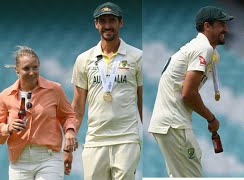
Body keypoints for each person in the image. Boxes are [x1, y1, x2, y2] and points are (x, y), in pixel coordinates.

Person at [148, 6, 233, 177]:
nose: (226, 29)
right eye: (221, 24)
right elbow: (189, 94)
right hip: (174, 123)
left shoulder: (203, 48)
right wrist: (211, 118)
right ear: (207, 26)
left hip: (170, 123)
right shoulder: (203, 48)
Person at [71, 2, 142, 180]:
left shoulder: (137, 57)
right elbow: (78, 105)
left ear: (121, 22)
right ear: (96, 24)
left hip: (126, 139)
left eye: (112, 20)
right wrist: (70, 132)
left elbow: (142, 100)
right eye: (103, 21)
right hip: (95, 140)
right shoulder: (83, 59)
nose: (107, 25)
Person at [0, 46, 79, 180]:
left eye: (35, 67)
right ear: (17, 70)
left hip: (49, 159)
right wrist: (8, 127)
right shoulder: (5, 95)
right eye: (26, 68)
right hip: (19, 162)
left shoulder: (55, 89)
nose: (32, 73)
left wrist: (70, 131)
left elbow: (68, 116)